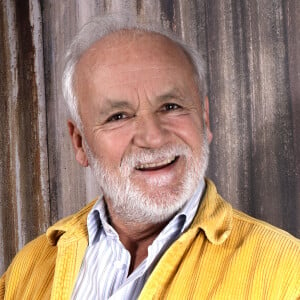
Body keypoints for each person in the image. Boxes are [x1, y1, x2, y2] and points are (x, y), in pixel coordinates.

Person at [1, 15, 299, 300]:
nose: (153, 137)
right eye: (118, 116)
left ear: (204, 119)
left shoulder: (287, 273)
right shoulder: (28, 268)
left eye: (171, 106)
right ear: (79, 143)